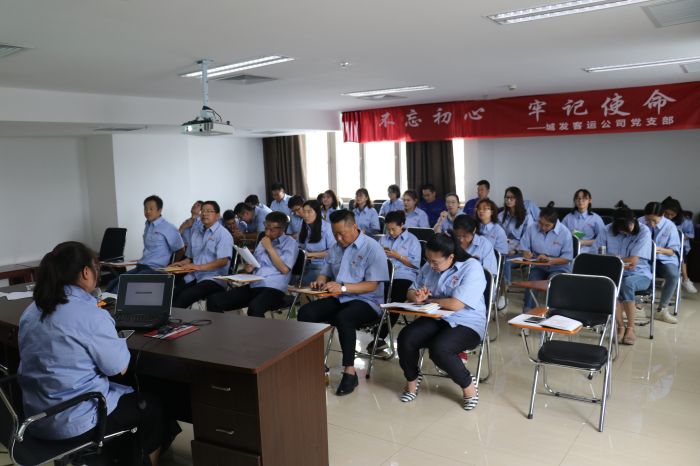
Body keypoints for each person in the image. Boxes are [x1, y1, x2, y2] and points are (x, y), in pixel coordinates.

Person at [18, 242, 179, 466]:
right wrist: (117, 337)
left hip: (36, 418)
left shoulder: (31, 311)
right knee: (153, 407)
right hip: (74, 421)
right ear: (86, 272)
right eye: (96, 267)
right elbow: (118, 368)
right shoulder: (89, 315)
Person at [297, 210, 389, 396]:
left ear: (354, 227)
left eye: (342, 233)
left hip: (367, 301)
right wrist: (320, 281)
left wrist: (344, 288)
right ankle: (315, 364)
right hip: (340, 297)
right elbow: (325, 272)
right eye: (335, 234)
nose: (338, 238)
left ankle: (350, 372)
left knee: (344, 317)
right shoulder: (336, 247)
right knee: (305, 313)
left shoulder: (372, 248)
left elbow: (372, 285)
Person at [397, 233, 486, 410]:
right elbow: (411, 290)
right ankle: (412, 381)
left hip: (467, 322)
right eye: (428, 260)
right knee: (406, 337)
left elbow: (455, 304)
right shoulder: (430, 265)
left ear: (451, 257)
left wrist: (429, 300)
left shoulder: (472, 267)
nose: (431, 265)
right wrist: (416, 296)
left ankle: (468, 385)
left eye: (435, 262)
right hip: (436, 317)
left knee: (440, 349)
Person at [207, 212, 298, 317]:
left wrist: (269, 248)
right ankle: (220, 328)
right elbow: (255, 263)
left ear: (282, 229)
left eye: (272, 230)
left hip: (274, 288)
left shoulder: (290, 243)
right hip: (255, 284)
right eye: (266, 228)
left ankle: (258, 329)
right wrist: (249, 267)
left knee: (255, 308)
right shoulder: (263, 241)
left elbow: (284, 269)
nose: (267, 232)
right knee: (214, 300)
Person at [594, 206, 652, 345]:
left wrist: (614, 259)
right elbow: (597, 256)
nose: (626, 232)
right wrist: (619, 261)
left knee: (626, 284)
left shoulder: (643, 231)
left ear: (634, 221)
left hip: (639, 274)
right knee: (610, 286)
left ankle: (631, 328)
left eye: (629, 228)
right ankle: (620, 327)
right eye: (622, 230)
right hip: (614, 272)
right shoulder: (606, 230)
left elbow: (633, 261)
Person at [106, 195, 185, 293]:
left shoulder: (168, 227)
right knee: (112, 283)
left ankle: (115, 303)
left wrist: (171, 266)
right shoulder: (148, 225)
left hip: (155, 269)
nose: (147, 211)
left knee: (121, 287)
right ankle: (102, 302)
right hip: (142, 266)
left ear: (159, 210)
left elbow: (181, 249)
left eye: (151, 209)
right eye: (145, 209)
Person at [368, 210, 421, 353]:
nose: (390, 232)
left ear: (402, 225)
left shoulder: (412, 240)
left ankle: (379, 336)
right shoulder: (383, 240)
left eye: (394, 229)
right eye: (388, 229)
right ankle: (374, 327)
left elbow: (416, 265)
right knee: (373, 293)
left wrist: (398, 256)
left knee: (394, 299)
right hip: (385, 275)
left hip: (404, 276)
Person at [170, 201, 233, 308]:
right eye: (203, 211)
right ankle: (166, 317)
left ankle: (175, 318)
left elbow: (223, 261)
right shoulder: (196, 232)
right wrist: (180, 264)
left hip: (214, 279)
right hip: (195, 275)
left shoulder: (223, 234)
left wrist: (198, 267)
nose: (204, 214)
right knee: (172, 293)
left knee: (184, 297)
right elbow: (190, 258)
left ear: (217, 215)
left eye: (209, 211)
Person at [519, 206, 573, 311]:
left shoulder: (564, 232)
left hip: (559, 267)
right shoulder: (532, 227)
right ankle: (528, 311)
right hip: (539, 266)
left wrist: (550, 260)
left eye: (547, 225)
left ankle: (553, 311)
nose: (543, 227)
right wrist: (526, 253)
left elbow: (567, 258)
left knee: (554, 281)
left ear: (555, 223)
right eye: (540, 223)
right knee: (533, 280)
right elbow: (524, 246)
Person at [639, 201, 681, 324]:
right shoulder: (639, 222)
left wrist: (658, 250)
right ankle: (637, 306)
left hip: (664, 258)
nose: (651, 224)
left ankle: (662, 310)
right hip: (644, 258)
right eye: (648, 220)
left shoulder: (670, 226)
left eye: (655, 221)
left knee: (673, 275)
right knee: (638, 271)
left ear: (662, 216)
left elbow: (673, 251)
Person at [498, 187, 534, 305]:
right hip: (503, 250)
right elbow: (497, 234)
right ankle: (495, 290)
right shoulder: (501, 216)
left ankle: (504, 292)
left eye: (512, 198)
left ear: (518, 199)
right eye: (507, 197)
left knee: (505, 261)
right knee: (498, 259)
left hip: (519, 252)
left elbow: (527, 239)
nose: (508, 200)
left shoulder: (526, 217)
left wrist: (515, 250)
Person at [662, 196, 697, 293]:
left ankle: (684, 279)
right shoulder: (659, 219)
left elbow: (691, 234)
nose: (669, 217)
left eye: (672, 215)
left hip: (680, 245)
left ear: (677, 213)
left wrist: (681, 237)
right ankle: (674, 278)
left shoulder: (685, 221)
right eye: (666, 214)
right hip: (663, 246)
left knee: (680, 249)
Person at [298, 200, 337, 286]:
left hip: (322, 266)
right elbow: (300, 246)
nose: (306, 215)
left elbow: (333, 252)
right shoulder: (303, 225)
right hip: (305, 264)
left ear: (317, 213)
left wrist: (311, 254)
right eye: (304, 212)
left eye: (309, 212)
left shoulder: (327, 228)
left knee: (304, 283)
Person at [562, 189, 605, 254]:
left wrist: (582, 242)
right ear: (575, 200)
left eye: (584, 198)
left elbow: (602, 239)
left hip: (588, 252)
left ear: (590, 200)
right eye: (578, 198)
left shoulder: (596, 218)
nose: (580, 201)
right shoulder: (568, 217)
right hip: (569, 251)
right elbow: (560, 236)